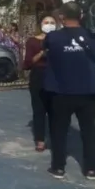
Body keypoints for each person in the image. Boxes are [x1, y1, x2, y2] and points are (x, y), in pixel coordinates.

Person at [43, 1, 95, 180]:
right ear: (81, 16)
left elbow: (46, 50)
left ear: (61, 17)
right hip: (87, 92)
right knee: (88, 131)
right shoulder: (91, 37)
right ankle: (91, 169)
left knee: (59, 130)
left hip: (62, 92)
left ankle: (58, 167)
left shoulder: (53, 37)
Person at [22, 14, 56, 152]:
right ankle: (40, 139)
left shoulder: (59, 40)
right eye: (46, 22)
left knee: (55, 111)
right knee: (39, 110)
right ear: (40, 24)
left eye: (52, 22)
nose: (49, 24)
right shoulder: (32, 41)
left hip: (55, 77)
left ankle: (55, 138)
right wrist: (43, 52)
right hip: (38, 77)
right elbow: (28, 63)